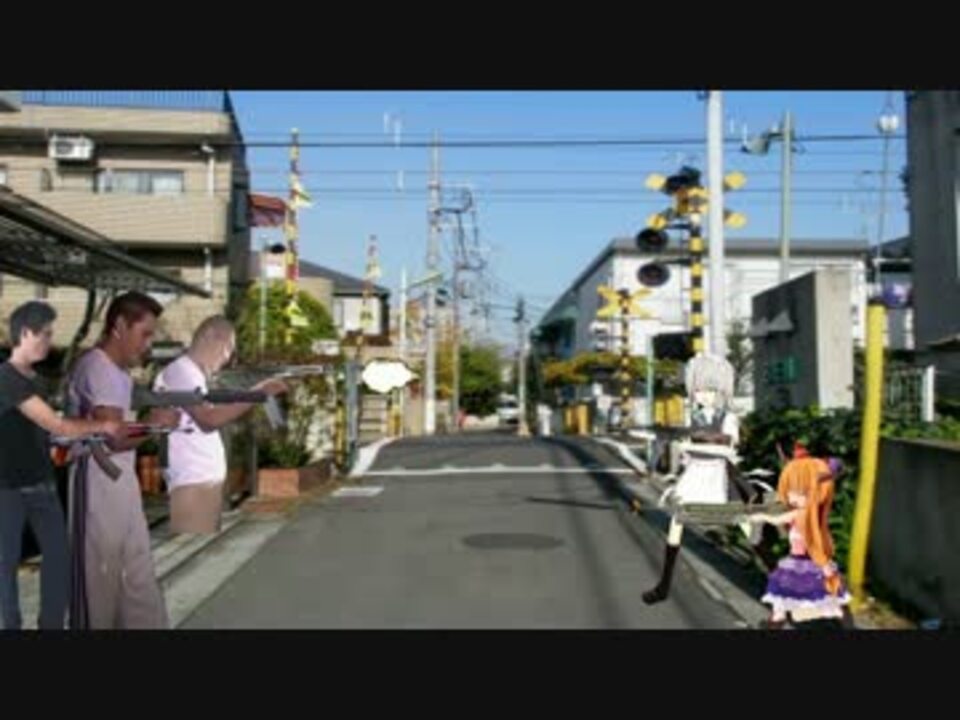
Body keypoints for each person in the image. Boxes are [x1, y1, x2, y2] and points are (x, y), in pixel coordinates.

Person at [0, 301, 129, 630]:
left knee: (58, 556)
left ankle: (51, 625)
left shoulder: (36, 379)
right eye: (44, 334)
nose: (48, 340)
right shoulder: (6, 378)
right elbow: (55, 423)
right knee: (6, 561)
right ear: (25, 333)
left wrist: (72, 444)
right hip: (8, 488)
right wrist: (103, 425)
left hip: (42, 483)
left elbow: (45, 432)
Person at [66, 291, 180, 629]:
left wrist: (153, 424)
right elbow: (113, 436)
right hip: (96, 484)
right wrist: (155, 424)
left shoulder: (119, 375)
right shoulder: (96, 367)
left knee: (139, 589)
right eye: (144, 334)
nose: (147, 344)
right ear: (119, 325)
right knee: (98, 593)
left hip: (121, 484)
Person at [154, 316, 287, 534]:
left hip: (200, 480)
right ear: (209, 337)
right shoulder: (181, 371)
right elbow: (209, 419)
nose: (227, 357)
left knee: (199, 542)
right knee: (195, 544)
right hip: (192, 479)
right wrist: (259, 393)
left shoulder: (192, 373)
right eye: (227, 348)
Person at [747, 448, 851, 629]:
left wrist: (761, 516)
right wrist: (761, 516)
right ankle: (777, 620)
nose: (791, 496)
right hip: (797, 562)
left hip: (808, 564)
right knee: (783, 592)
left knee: (819, 596)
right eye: (790, 491)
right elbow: (779, 519)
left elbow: (779, 519)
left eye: (799, 492)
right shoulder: (801, 513)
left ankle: (844, 620)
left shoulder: (805, 515)